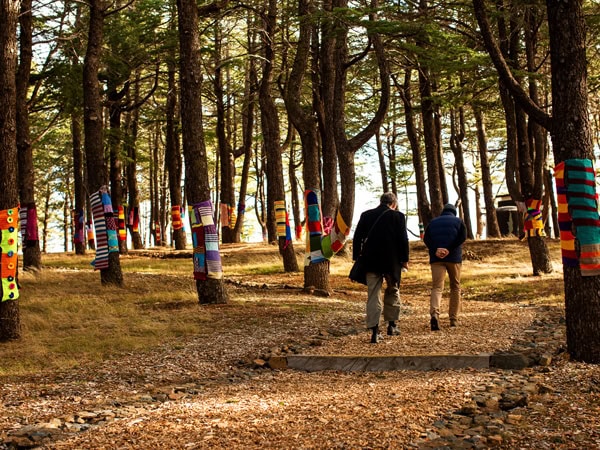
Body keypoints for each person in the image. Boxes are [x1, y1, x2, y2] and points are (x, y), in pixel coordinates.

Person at [352, 192, 409, 343]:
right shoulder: (398, 216)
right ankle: (392, 325)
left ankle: (375, 331)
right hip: (392, 262)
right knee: (393, 291)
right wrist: (405, 260)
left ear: (380, 202)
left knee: (373, 294)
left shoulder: (366, 215)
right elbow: (403, 239)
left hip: (370, 261)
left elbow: (357, 237)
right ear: (394, 204)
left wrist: (356, 257)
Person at [423, 203, 467, 331]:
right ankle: (453, 319)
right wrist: (449, 249)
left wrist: (436, 249)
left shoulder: (433, 222)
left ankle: (435, 315)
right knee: (455, 286)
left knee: (437, 287)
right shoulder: (459, 221)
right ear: (454, 212)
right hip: (453, 258)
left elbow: (426, 238)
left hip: (436, 258)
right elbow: (462, 237)